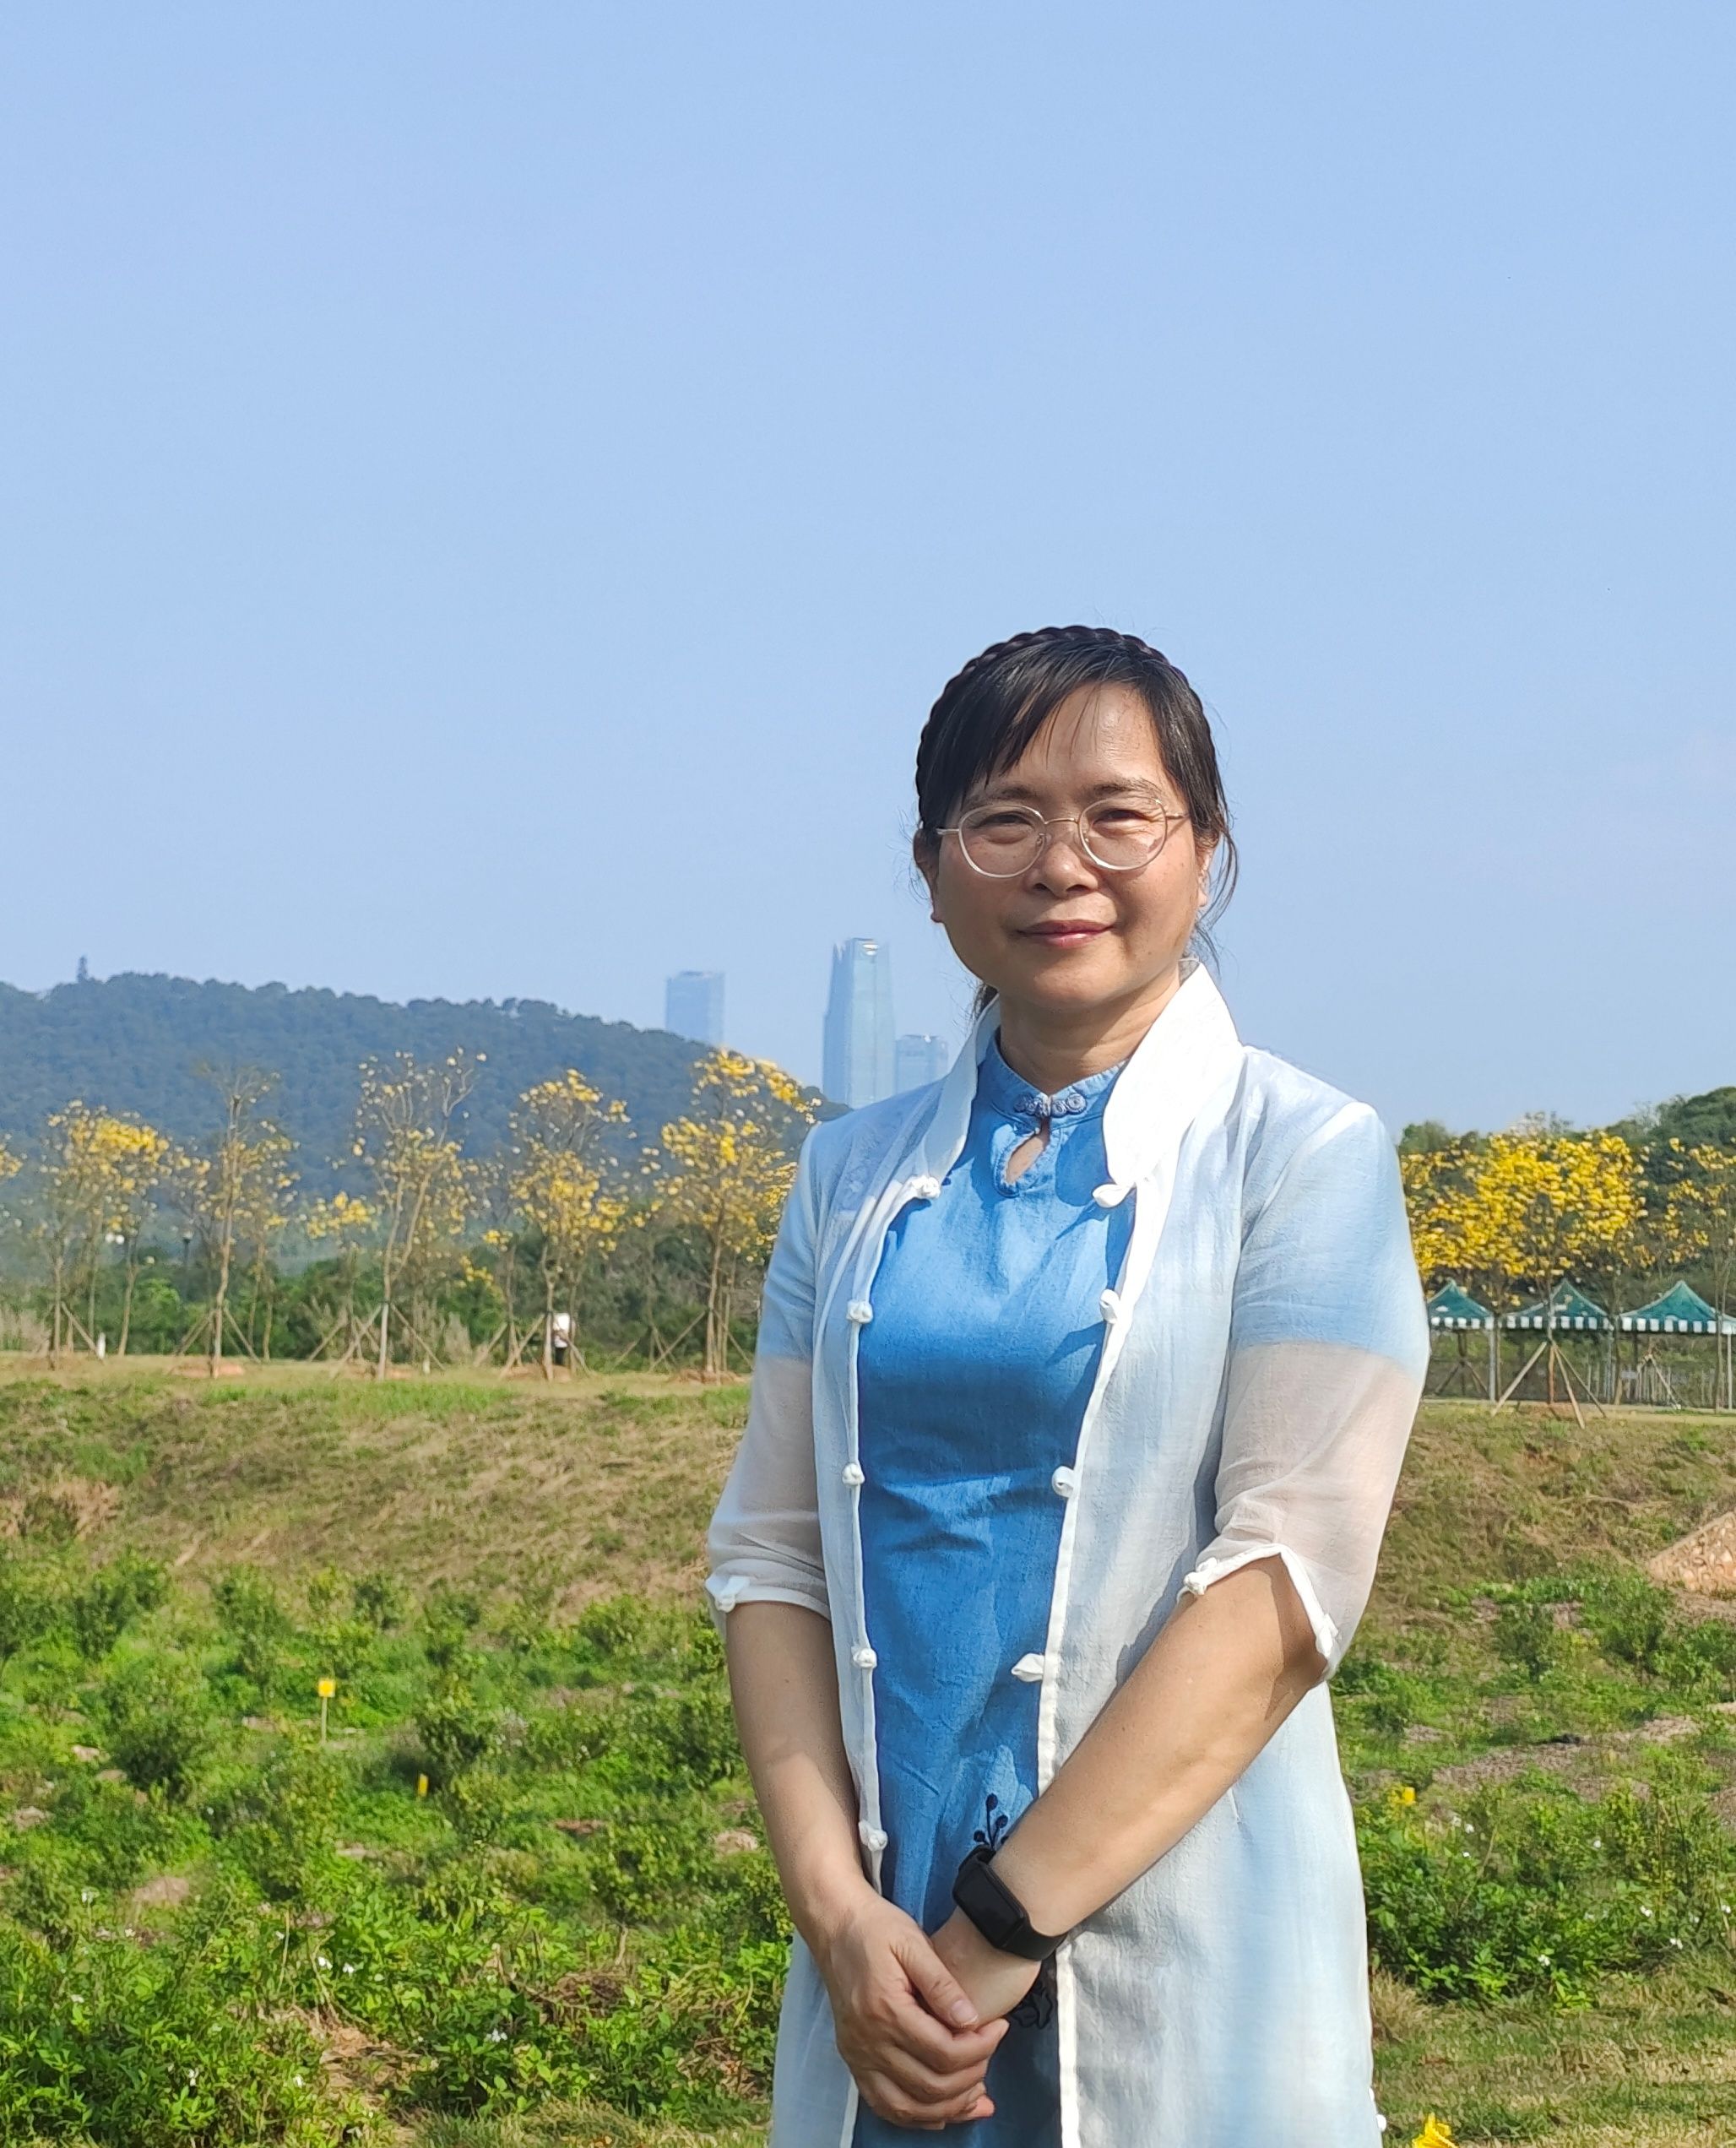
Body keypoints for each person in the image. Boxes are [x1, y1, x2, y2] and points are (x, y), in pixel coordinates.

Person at [706, 626, 1429, 2145]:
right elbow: (773, 1557)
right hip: (886, 1959)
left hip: (1176, 1942)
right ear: (931, 867)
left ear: (1205, 849)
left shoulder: (1303, 1155)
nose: (1061, 866)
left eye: (1119, 815)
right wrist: (839, 1918)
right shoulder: (848, 1175)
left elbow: (1287, 1582)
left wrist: (999, 1934)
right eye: (1004, 820)